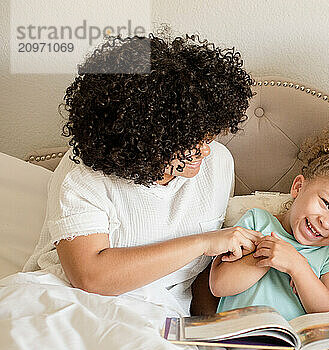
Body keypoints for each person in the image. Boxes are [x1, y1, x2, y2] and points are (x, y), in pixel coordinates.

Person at [23, 34, 260, 314]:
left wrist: (214, 329)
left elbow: (197, 278)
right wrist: (204, 242)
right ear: (147, 139)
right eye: (191, 142)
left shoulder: (219, 163)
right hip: (69, 303)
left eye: (208, 138)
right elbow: (91, 277)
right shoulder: (84, 173)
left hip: (162, 317)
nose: (205, 152)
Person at [209, 127, 329, 320]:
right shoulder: (257, 221)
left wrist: (297, 267)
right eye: (325, 203)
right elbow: (219, 285)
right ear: (298, 187)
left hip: (292, 347)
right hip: (234, 341)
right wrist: (269, 255)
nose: (326, 223)